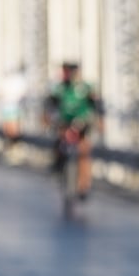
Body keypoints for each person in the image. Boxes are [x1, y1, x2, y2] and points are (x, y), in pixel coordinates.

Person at [43, 62, 104, 199]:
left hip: (83, 122)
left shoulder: (86, 88)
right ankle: (58, 165)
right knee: (59, 140)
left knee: (84, 152)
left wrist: (99, 122)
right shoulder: (61, 88)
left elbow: (97, 105)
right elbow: (50, 103)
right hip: (65, 122)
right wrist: (47, 118)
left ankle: (84, 185)